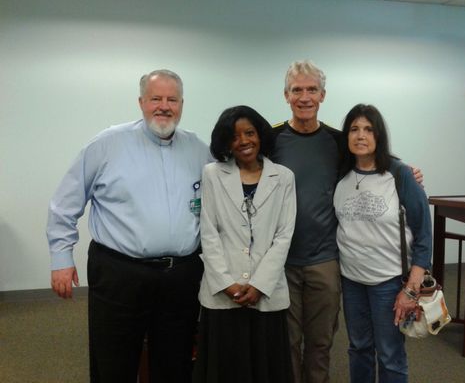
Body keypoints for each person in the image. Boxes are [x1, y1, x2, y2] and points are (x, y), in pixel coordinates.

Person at [46, 69, 212, 383]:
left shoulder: (198, 150)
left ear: (181, 104)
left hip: (180, 277)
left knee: (175, 362)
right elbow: (64, 205)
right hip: (119, 274)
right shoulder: (108, 144)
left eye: (172, 99)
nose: (164, 106)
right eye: (156, 99)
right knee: (114, 362)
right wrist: (61, 259)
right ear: (141, 102)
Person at [270, 60, 424, 383]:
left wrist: (408, 173)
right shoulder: (272, 140)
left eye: (312, 89)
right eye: (297, 90)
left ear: (323, 95)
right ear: (286, 95)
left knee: (322, 344)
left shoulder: (337, 141)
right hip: (282, 260)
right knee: (287, 344)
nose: (305, 96)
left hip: (326, 262)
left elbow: (372, 160)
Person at [193, 105, 296, 383]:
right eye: (234, 136)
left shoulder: (284, 177)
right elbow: (209, 232)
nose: (243, 141)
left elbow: (283, 236)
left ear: (260, 135)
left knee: (266, 367)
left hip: (267, 291)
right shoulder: (213, 174)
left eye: (249, 133)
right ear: (226, 142)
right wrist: (226, 283)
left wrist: (260, 284)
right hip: (223, 291)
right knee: (225, 367)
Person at [333, 104, 432, 383]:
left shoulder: (400, 175)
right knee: (359, 349)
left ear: (379, 135)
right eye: (354, 129)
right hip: (351, 280)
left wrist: (411, 290)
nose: (361, 135)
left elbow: (424, 235)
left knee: (390, 355)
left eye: (368, 129)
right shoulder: (340, 175)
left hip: (389, 283)